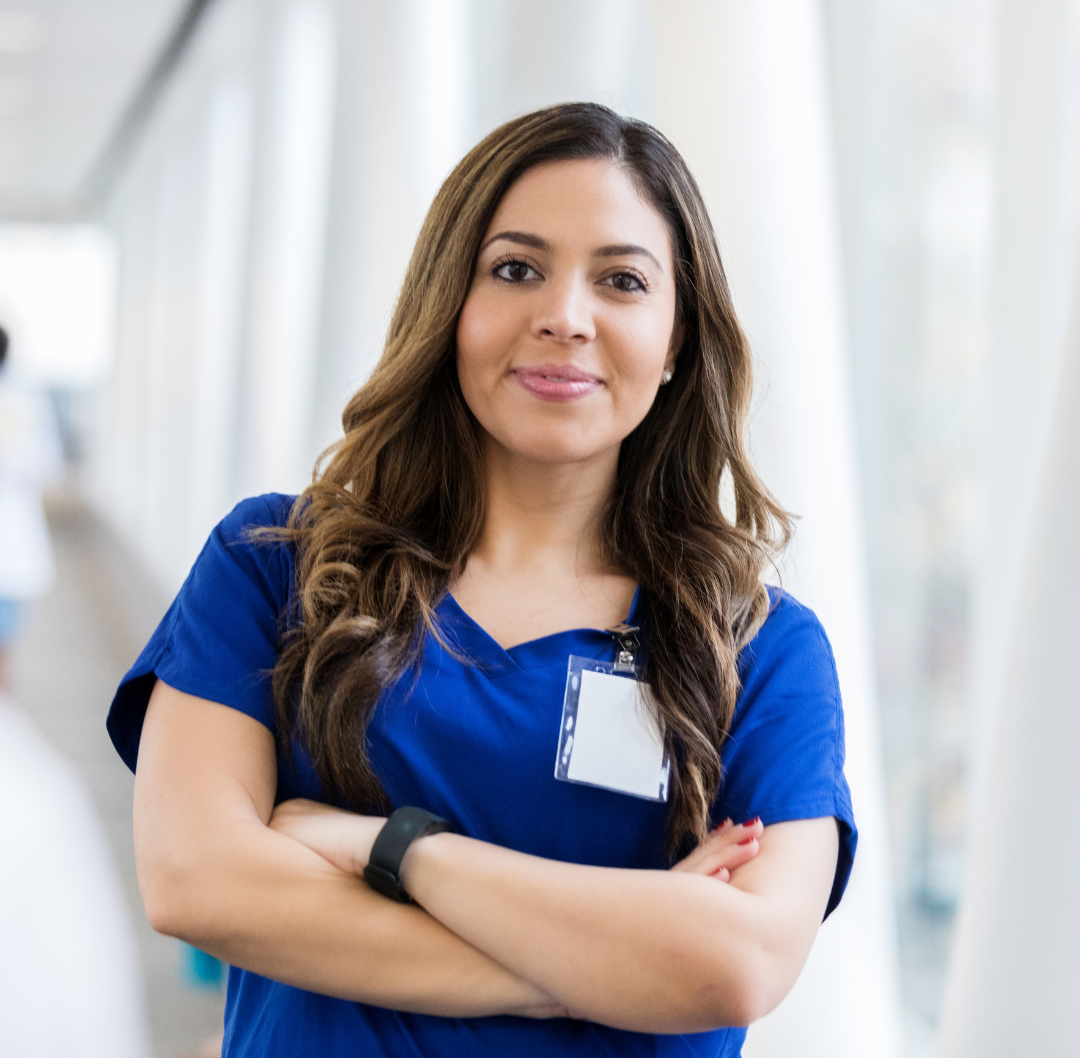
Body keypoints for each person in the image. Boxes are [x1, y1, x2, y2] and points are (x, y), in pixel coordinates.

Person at [108, 103, 856, 1058]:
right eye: (515, 269)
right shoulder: (278, 565)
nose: (565, 317)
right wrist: (597, 971)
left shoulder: (758, 647)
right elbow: (195, 880)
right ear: (447, 304)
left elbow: (737, 965)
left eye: (622, 281)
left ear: (675, 341)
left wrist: (389, 848)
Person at [0, 324, 63, 691]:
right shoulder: (25, 400)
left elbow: (44, 464)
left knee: (4, 644)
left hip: (12, 539)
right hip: (13, 539)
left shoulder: (22, 401)